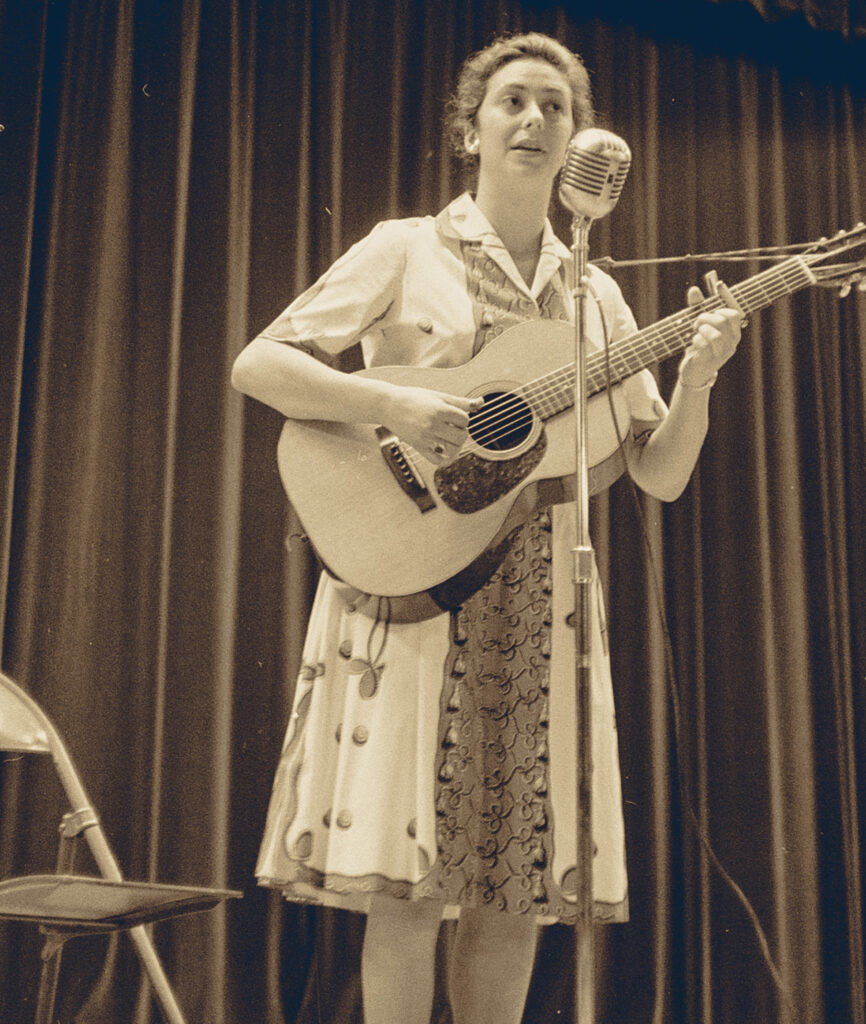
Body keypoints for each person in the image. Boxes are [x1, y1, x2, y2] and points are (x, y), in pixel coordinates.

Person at [231, 31, 741, 1024]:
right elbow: (261, 365)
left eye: (555, 106)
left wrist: (699, 379)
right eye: (513, 100)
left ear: (577, 145)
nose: (536, 119)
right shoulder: (403, 246)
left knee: (513, 886)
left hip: (544, 596)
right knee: (407, 885)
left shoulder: (593, 293)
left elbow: (659, 475)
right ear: (472, 128)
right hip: (415, 575)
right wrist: (392, 402)